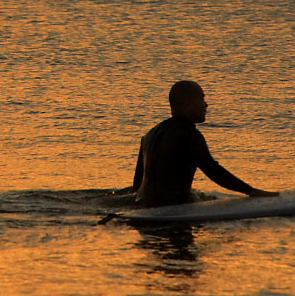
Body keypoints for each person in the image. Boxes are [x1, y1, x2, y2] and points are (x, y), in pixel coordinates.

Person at [115, 80, 277, 207]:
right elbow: (212, 170)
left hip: (143, 206)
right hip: (170, 209)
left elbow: (137, 186)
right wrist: (251, 191)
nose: (206, 105)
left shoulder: (150, 134)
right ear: (188, 104)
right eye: (202, 99)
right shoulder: (187, 134)